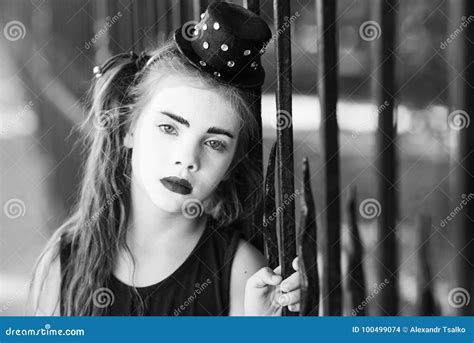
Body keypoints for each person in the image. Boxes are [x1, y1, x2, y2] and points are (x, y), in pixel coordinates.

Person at [27, 1, 300, 316]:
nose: (186, 159)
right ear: (129, 128)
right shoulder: (64, 263)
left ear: (231, 163)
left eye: (214, 143)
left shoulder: (243, 276)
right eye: (169, 128)